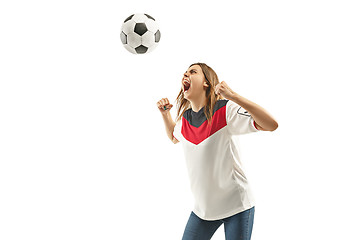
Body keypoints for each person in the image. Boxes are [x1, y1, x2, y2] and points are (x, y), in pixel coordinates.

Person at [156, 63, 278, 240]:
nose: (185, 75)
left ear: (206, 82)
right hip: (203, 211)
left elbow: (271, 124)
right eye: (184, 73)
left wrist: (233, 96)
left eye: (192, 72)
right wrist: (165, 115)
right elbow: (174, 137)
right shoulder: (185, 120)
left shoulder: (225, 110)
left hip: (237, 206)